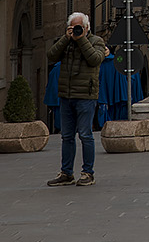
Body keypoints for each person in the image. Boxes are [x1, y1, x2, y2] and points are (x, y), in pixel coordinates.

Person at [45, 12, 108, 187]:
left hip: (86, 96)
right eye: (73, 28)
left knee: (86, 135)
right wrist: (66, 39)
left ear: (87, 28)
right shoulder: (66, 42)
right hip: (66, 95)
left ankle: (88, 173)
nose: (77, 31)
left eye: (79, 27)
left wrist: (81, 40)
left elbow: (95, 59)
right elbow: (51, 56)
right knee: (66, 136)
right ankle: (66, 173)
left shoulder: (96, 42)